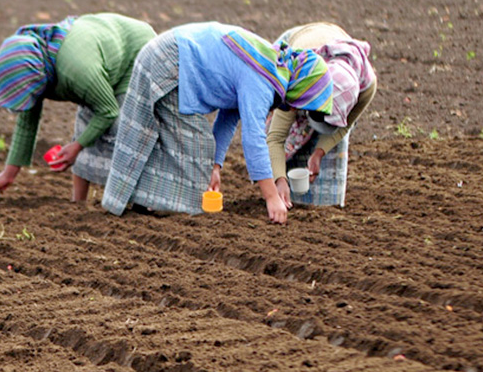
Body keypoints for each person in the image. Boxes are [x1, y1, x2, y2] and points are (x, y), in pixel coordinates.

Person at [100, 22, 333, 223]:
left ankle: (144, 200)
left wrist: (216, 165)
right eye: (303, 103)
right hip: (169, 59)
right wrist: (271, 197)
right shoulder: (263, 79)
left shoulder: (270, 65)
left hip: (167, 54)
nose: (296, 110)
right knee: (197, 144)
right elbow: (254, 140)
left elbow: (228, 117)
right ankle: (167, 206)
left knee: (188, 142)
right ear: (300, 89)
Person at [0, 14, 156, 203]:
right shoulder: (38, 69)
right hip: (97, 56)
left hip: (135, 50)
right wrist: (8, 174)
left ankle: (138, 200)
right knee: (85, 126)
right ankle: (78, 203)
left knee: (121, 131)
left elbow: (108, 111)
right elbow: (27, 124)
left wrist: (77, 146)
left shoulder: (76, 71)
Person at [267, 22, 377, 208]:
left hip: (334, 39)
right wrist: (279, 180)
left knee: (330, 174)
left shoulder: (366, 86)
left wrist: (319, 153)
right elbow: (275, 137)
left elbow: (345, 125)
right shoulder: (296, 74)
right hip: (298, 43)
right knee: (276, 128)